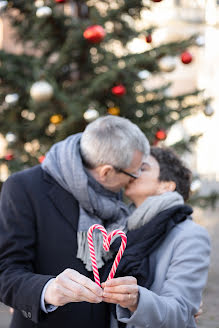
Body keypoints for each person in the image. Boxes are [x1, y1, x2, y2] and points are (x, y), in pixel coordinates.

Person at [0, 115, 150, 328]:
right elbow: (6, 271)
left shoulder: (114, 190)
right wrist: (48, 290)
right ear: (105, 172)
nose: (135, 179)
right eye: (133, 173)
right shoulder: (24, 188)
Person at [101, 147, 210, 328]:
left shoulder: (190, 235)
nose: (134, 172)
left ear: (166, 185)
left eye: (143, 168)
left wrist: (137, 300)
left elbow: (181, 314)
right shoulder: (118, 228)